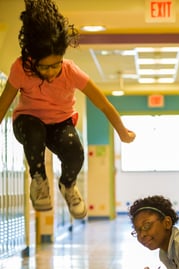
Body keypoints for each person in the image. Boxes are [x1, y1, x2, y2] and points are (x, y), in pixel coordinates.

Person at [0, 0, 135, 219]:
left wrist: (122, 131)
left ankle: (68, 185)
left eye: (56, 64)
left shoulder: (71, 71)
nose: (52, 72)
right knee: (34, 133)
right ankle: (38, 180)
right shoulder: (20, 69)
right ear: (32, 59)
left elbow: (103, 103)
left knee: (75, 153)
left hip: (60, 124)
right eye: (44, 66)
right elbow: (3, 104)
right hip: (27, 121)